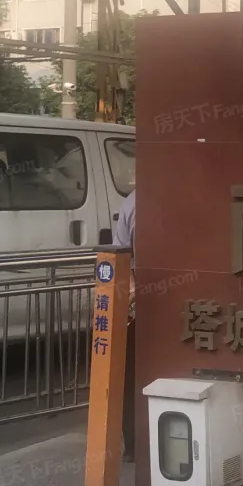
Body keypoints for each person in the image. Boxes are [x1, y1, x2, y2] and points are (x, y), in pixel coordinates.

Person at [112, 184, 137, 461]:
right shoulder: (136, 202)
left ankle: (133, 444)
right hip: (150, 307)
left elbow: (120, 254)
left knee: (130, 377)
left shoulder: (132, 201)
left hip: (135, 307)